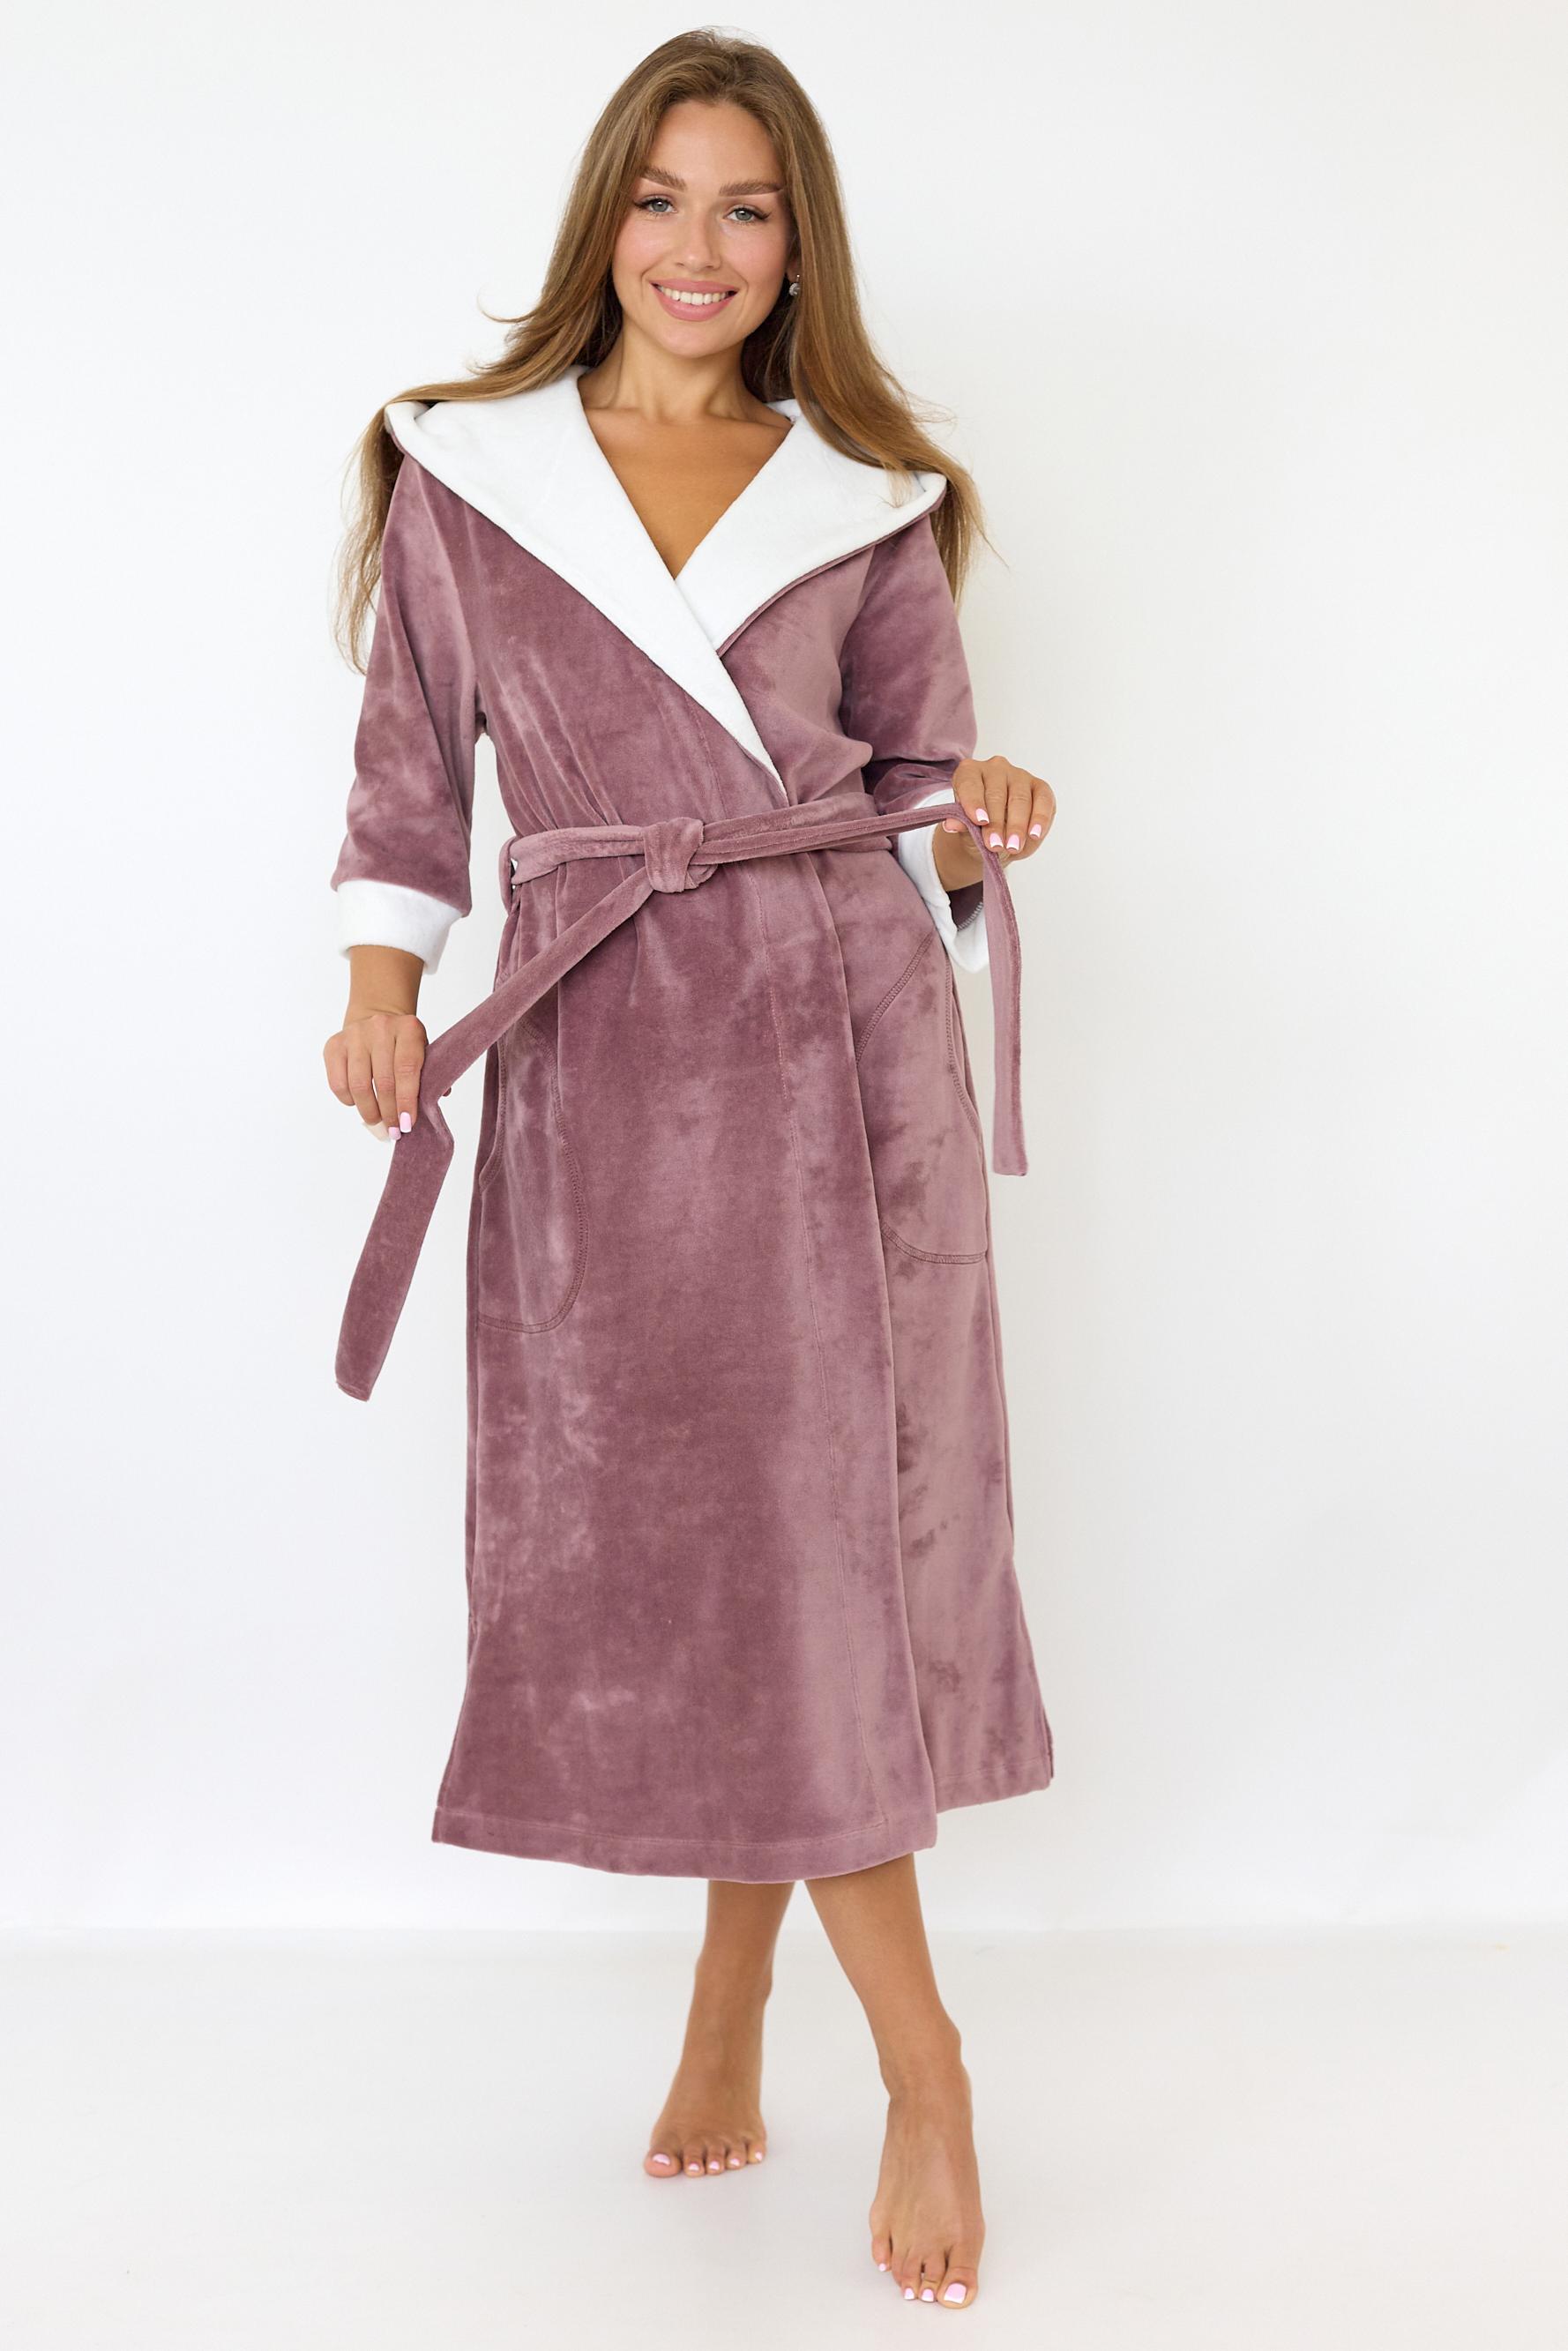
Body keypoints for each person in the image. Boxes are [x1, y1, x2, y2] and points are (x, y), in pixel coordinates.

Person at [322, 28, 1058, 2312]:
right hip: (606, 1066)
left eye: (747, 208)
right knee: (718, 1550)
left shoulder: (862, 495)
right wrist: (379, 986)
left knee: (819, 1548)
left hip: (841, 1058)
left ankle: (920, 2063)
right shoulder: (467, 477)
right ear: (603, 221)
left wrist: (981, 817)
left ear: (796, 245)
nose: (698, 248)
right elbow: (403, 782)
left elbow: (916, 786)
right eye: (660, 199)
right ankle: (737, 1996)